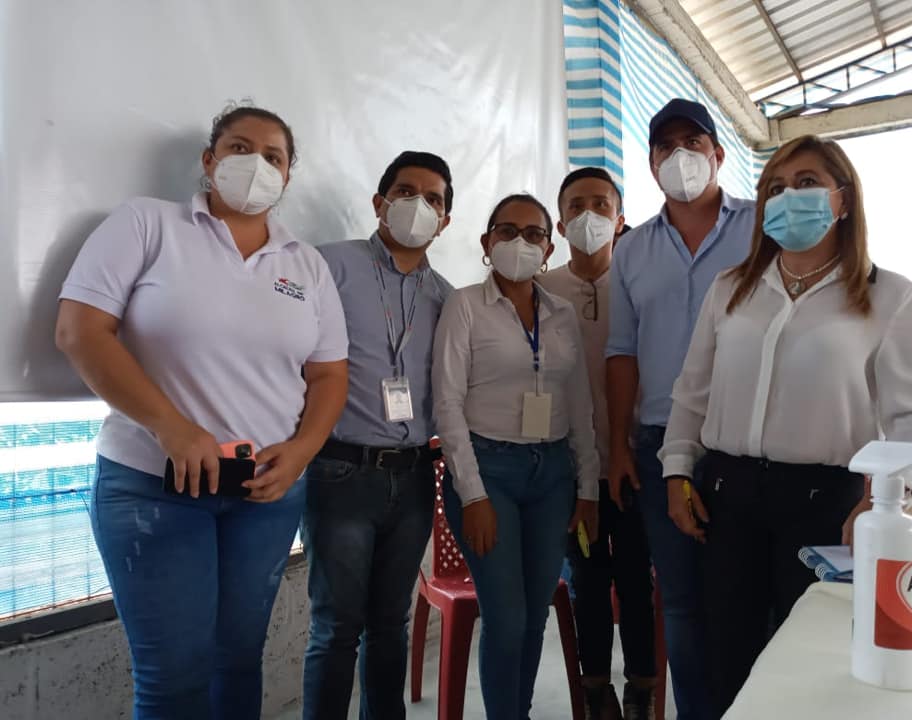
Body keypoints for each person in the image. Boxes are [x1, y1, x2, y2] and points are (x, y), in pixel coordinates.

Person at [54, 105, 350, 720]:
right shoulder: (147, 224)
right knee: (174, 681)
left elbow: (328, 375)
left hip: (265, 494)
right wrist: (170, 426)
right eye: (240, 148)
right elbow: (80, 331)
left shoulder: (305, 264)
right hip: (154, 487)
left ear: (287, 176)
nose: (256, 164)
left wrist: (301, 452)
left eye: (273, 156)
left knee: (239, 662)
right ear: (209, 160)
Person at [660, 134, 912, 716]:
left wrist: (884, 501)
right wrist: (677, 473)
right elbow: (692, 391)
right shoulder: (732, 287)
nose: (789, 197)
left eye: (807, 183)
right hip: (727, 494)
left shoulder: (887, 296)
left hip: (826, 503)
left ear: (844, 199)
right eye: (776, 188)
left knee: (810, 657)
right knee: (727, 652)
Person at [605, 98, 755, 720]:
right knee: (682, 601)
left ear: (718, 154)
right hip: (659, 445)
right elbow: (621, 353)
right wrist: (618, 445)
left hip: (745, 443)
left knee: (749, 598)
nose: (679, 156)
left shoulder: (762, 227)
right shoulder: (632, 250)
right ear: (651, 163)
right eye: (665, 147)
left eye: (692, 143)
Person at [432, 193, 600, 720]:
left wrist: (588, 489)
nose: (520, 242)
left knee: (533, 617)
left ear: (548, 249)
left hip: (553, 476)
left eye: (533, 234)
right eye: (507, 231)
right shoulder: (465, 305)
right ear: (487, 242)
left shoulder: (561, 313)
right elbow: (446, 404)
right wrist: (473, 495)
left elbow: (579, 404)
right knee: (505, 620)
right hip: (489, 473)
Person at [300, 151, 454, 720]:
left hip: (413, 477)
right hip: (339, 469)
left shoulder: (445, 296)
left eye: (433, 199)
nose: (419, 206)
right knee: (336, 626)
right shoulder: (328, 266)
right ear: (379, 202)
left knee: (391, 623)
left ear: (445, 221)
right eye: (406, 192)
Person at [540, 168, 656, 720]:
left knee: (636, 574)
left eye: (601, 205)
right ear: (561, 224)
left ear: (620, 218)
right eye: (576, 206)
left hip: (632, 462)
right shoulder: (540, 289)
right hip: (571, 469)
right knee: (586, 576)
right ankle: (594, 687)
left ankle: (642, 683)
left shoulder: (638, 286)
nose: (590, 216)